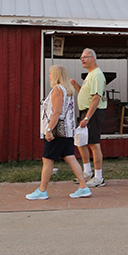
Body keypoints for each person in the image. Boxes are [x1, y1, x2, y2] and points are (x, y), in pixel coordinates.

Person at [26, 65, 91, 200]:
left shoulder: (57, 89)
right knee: (70, 157)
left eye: (50, 73)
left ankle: (42, 190)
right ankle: (83, 187)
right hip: (67, 131)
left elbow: (56, 112)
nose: (49, 76)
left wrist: (49, 130)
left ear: (56, 75)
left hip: (57, 131)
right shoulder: (68, 90)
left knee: (47, 159)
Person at [69, 48, 107, 188]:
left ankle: (98, 177)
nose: (82, 60)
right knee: (82, 142)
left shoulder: (97, 75)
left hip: (92, 113)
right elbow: (86, 94)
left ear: (93, 58)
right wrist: (76, 86)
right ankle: (87, 172)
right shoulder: (90, 75)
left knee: (94, 144)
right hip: (86, 112)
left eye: (85, 57)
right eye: (81, 58)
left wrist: (87, 118)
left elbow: (96, 98)